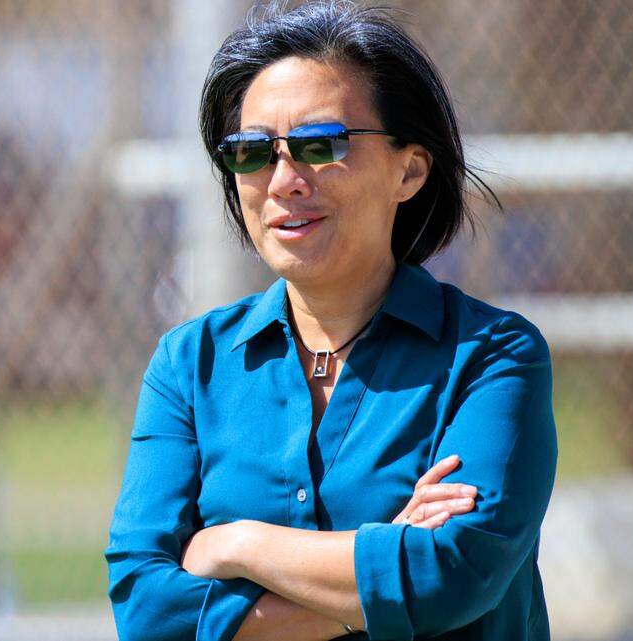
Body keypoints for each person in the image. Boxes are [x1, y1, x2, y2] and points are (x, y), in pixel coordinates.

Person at [105, 2, 557, 640]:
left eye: (321, 146)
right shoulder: (189, 365)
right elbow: (146, 611)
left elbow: (450, 575)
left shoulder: (491, 357)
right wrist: (380, 570)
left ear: (411, 169)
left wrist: (237, 546)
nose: (284, 179)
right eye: (251, 152)